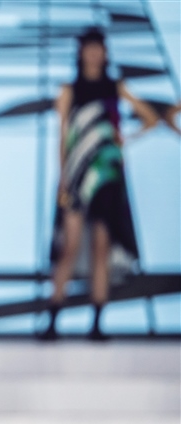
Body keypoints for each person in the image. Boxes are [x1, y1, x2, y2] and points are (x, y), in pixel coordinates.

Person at [42, 28, 160, 341]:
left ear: (105, 53)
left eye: (99, 49)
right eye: (90, 48)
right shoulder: (69, 90)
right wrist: (63, 178)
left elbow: (149, 117)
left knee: (101, 247)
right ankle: (52, 319)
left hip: (106, 175)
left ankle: (96, 323)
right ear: (81, 52)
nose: (94, 54)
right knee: (69, 246)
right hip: (77, 175)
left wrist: (125, 138)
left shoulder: (114, 87)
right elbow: (62, 138)